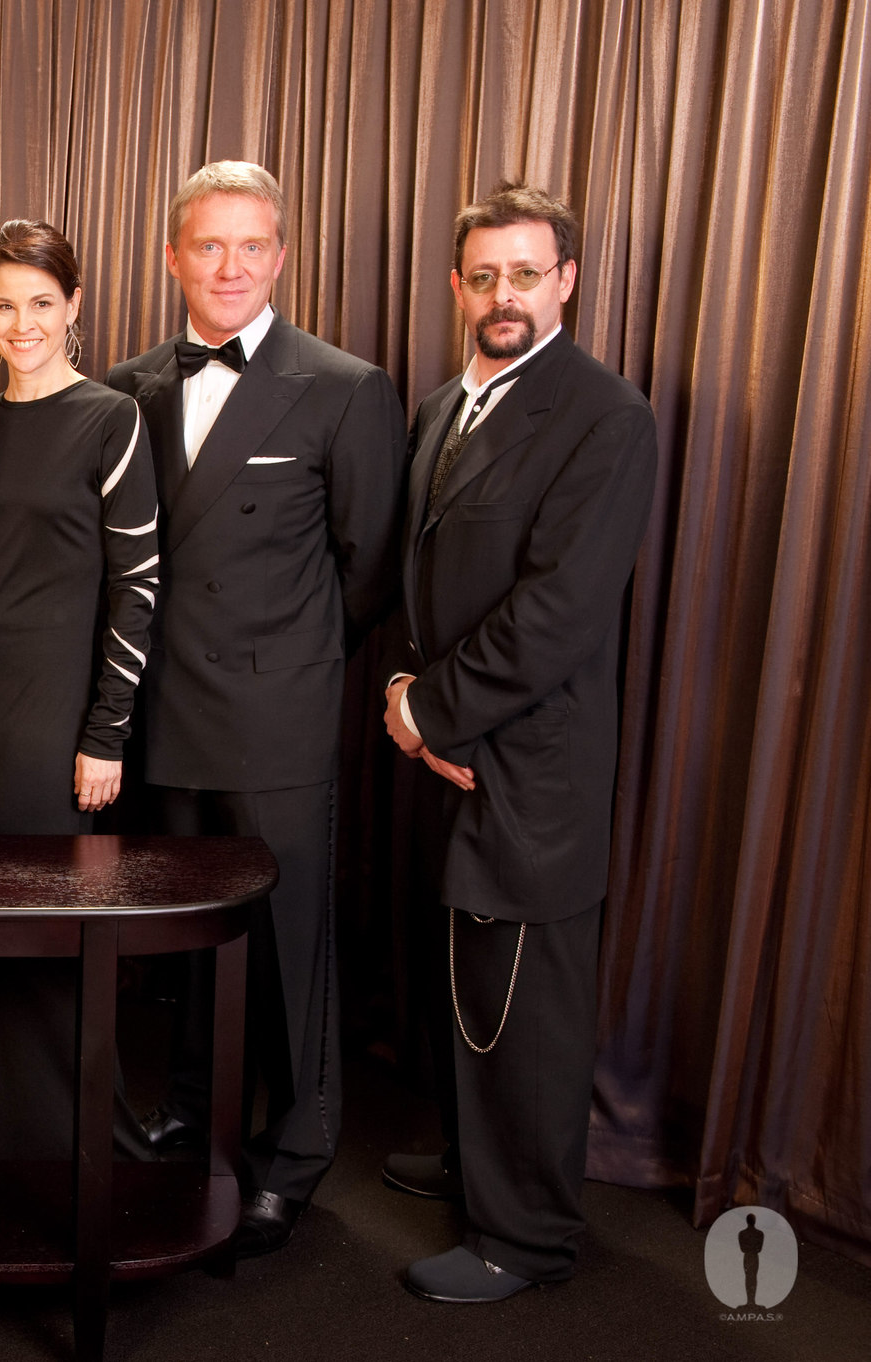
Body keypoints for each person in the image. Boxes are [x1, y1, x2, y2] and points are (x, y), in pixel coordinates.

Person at [106, 161, 404, 1255]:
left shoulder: (342, 385)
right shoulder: (129, 385)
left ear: (279, 257)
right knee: (189, 945)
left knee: (286, 946)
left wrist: (292, 668)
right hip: (160, 714)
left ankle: (295, 1151)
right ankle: (196, 1115)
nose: (227, 267)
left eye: (250, 246)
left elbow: (367, 571)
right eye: (206, 246)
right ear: (172, 255)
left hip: (272, 719)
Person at [386, 183, 656, 1302]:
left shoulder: (604, 416)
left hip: (530, 756)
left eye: (526, 273)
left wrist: (426, 710)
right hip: (454, 739)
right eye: (483, 275)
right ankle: (473, 1161)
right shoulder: (450, 405)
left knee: (524, 1004)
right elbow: (426, 574)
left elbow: (557, 611)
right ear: (457, 287)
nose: (504, 295)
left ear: (566, 281)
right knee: (469, 977)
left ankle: (524, 1236)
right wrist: (408, 688)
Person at [0, 218, 158, 1158]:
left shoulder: (111, 418)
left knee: (43, 931)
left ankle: (60, 1145)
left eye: (40, 304)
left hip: (56, 714)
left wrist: (106, 734)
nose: (20, 323)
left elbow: (137, 588)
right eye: (2, 304)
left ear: (72, 309)